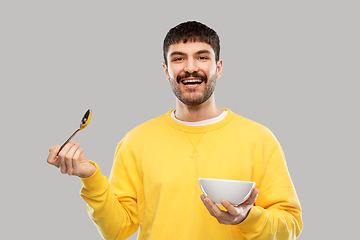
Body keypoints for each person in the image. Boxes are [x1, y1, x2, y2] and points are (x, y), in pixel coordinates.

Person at [47, 21, 303, 240]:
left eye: (202, 57)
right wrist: (91, 178)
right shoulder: (136, 141)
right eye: (178, 58)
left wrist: (249, 218)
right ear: (165, 70)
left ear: (219, 67)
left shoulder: (259, 139)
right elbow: (118, 230)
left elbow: (291, 225)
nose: (190, 67)